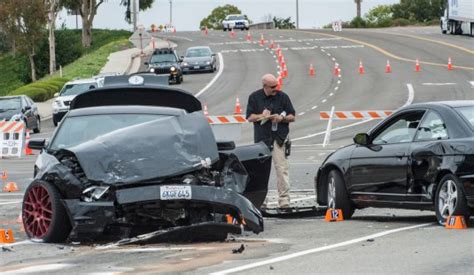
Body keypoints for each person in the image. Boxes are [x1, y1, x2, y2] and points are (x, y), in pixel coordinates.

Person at [246, 74, 296, 208]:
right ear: (265, 86)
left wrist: (281, 118)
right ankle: (261, 201)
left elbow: (292, 116)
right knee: (261, 172)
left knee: (281, 169)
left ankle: (284, 201)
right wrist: (262, 116)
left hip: (278, 138)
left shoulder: (283, 97)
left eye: (277, 86)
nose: (276, 89)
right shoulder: (254, 97)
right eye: (273, 87)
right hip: (262, 140)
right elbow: (249, 117)